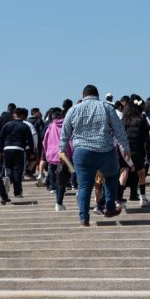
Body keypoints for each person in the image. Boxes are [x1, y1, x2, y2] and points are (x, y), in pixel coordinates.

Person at [60, 85, 131, 226]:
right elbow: (119, 130)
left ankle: (84, 218)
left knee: (84, 186)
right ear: (97, 95)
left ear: (83, 95)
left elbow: (65, 134)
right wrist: (126, 148)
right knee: (111, 177)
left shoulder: (73, 110)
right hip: (105, 150)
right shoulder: (107, 107)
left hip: (82, 152)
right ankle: (109, 207)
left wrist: (62, 151)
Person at [0, 107, 36, 198]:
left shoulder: (7, 125)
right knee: (17, 170)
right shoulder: (25, 126)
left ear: (15, 115)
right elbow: (30, 141)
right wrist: (31, 152)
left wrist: (0, 150)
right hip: (19, 149)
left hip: (7, 148)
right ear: (22, 115)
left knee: (8, 167)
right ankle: (17, 192)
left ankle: (8, 177)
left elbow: (0, 138)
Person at [41, 107, 72, 212]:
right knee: (62, 180)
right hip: (63, 155)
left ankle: (54, 190)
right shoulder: (66, 126)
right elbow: (70, 141)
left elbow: (44, 141)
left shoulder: (50, 126)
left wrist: (47, 152)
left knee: (54, 176)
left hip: (51, 155)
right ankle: (59, 203)